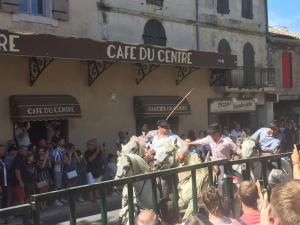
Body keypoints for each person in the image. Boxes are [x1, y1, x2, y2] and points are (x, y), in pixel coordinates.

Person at [188, 123, 237, 193]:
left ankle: (226, 192)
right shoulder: (209, 138)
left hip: (224, 164)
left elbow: (236, 149)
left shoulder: (227, 140)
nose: (211, 135)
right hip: (213, 163)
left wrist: (237, 155)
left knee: (227, 178)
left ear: (218, 132)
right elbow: (199, 141)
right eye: (210, 133)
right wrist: (188, 143)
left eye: (212, 133)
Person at [52, 137, 66, 206]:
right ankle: (56, 200)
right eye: (62, 141)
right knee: (57, 186)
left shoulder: (63, 150)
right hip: (57, 170)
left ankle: (61, 198)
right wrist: (62, 161)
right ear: (59, 142)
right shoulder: (56, 151)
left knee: (62, 185)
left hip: (63, 169)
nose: (64, 142)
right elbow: (54, 162)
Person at [0, 145, 8, 209]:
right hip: (1, 185)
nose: (3, 151)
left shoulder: (2, 160)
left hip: (5, 184)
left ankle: (3, 216)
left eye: (3, 149)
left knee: (4, 199)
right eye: (1, 149)